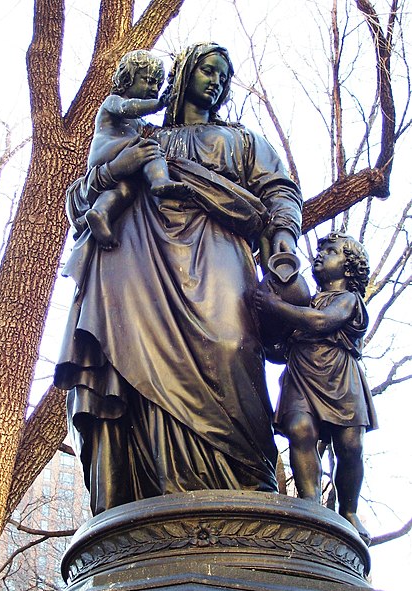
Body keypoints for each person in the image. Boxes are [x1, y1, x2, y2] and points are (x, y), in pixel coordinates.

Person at [54, 42, 303, 517]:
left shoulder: (242, 140)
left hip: (219, 253)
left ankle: (244, 492)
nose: (216, 81)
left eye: (223, 76)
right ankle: (157, 500)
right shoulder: (143, 136)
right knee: (138, 366)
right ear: (185, 73)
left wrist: (285, 238)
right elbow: (83, 198)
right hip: (140, 266)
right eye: (208, 70)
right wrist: (113, 169)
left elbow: (278, 190)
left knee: (232, 346)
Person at [255, 232, 378, 545]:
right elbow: (282, 349)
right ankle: (310, 505)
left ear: (349, 268)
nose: (320, 256)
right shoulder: (303, 303)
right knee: (300, 430)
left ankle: (348, 510)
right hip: (301, 376)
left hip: (340, 378)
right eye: (320, 251)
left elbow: (322, 322)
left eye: (331, 252)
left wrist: (274, 305)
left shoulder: (348, 300)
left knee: (350, 446)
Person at [85, 50, 190, 249]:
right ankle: (160, 181)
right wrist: (158, 104)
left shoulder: (138, 122)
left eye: (157, 86)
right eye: (148, 81)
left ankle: (100, 213)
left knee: (124, 190)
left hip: (110, 158)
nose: (153, 88)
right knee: (150, 149)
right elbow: (128, 107)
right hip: (110, 149)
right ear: (127, 79)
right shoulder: (114, 101)